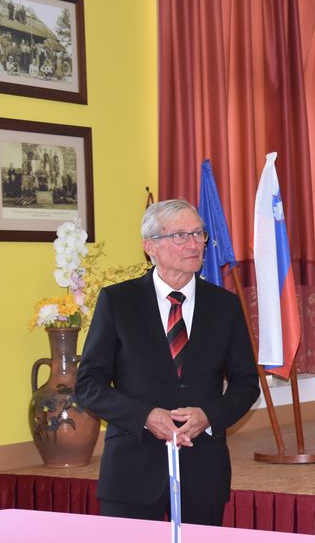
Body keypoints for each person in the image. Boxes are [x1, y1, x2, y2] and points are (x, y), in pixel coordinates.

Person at [76, 199, 259, 526]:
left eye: (198, 234)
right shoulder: (118, 302)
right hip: (132, 468)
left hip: (203, 469)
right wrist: (146, 417)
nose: (194, 244)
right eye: (180, 235)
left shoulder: (225, 306)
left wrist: (208, 416)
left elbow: (246, 384)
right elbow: (89, 386)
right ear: (151, 247)